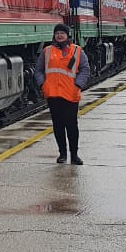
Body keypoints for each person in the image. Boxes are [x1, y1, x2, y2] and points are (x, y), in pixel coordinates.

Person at [35, 23, 90, 165]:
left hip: (71, 94)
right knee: (58, 125)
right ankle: (62, 154)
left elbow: (85, 69)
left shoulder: (77, 51)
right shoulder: (47, 51)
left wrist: (78, 84)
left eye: (62, 33)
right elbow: (39, 70)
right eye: (57, 33)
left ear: (68, 35)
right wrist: (43, 84)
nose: (59, 35)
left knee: (71, 125)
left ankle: (75, 155)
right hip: (53, 94)